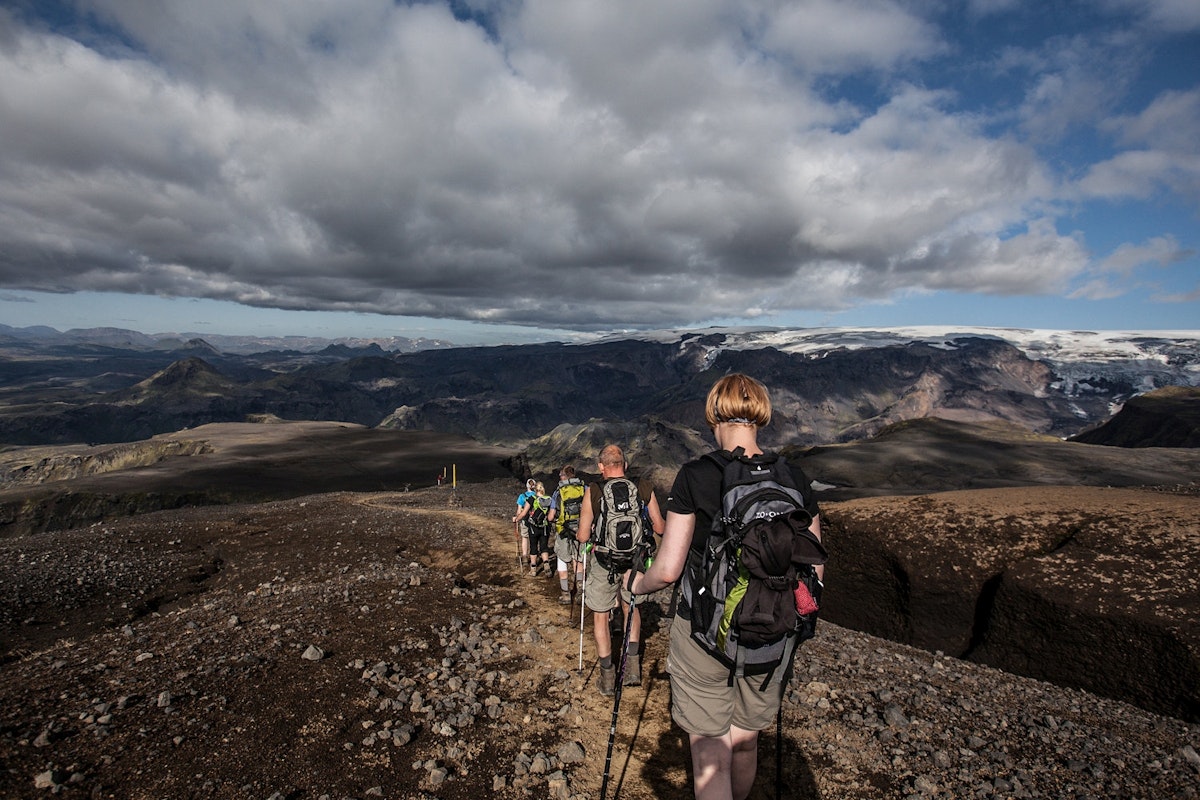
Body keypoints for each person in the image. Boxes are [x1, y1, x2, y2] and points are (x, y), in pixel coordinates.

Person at [631, 374, 823, 800]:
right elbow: (814, 570)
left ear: (714, 414)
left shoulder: (696, 476)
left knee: (710, 750)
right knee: (746, 739)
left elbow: (667, 570)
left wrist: (636, 584)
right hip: (773, 633)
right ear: (760, 415)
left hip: (705, 634)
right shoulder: (796, 480)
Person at [576, 444, 664, 695]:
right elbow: (659, 528)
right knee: (631, 608)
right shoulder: (643, 487)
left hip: (605, 563)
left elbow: (583, 536)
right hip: (635, 562)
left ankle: (607, 678)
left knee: (601, 615)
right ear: (624, 465)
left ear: (601, 467)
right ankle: (632, 668)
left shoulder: (594, 490)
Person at [547, 465, 587, 605]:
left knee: (562, 560)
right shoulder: (584, 488)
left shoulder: (558, 492)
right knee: (578, 560)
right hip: (580, 530)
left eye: (560, 475)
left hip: (563, 531)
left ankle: (565, 594)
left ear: (564, 476)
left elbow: (551, 517)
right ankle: (581, 592)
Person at [525, 481, 553, 576]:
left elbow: (524, 512)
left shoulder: (532, 499)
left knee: (533, 546)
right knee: (544, 546)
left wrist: (516, 518)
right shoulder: (548, 499)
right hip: (545, 526)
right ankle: (546, 565)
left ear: (534, 489)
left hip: (533, 527)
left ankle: (533, 569)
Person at [511, 478, 537, 571]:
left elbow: (519, 510)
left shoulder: (522, 496)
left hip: (525, 520)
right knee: (534, 539)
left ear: (527, 486)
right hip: (535, 521)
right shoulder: (538, 496)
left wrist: (517, 518)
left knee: (525, 538)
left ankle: (525, 556)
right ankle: (534, 556)